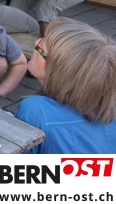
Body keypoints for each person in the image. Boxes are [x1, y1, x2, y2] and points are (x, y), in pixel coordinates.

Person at [16, 18, 116, 153]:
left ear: (59, 70)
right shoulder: (108, 108)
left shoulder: (35, 110)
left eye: (41, 48)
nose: (36, 42)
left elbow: (17, 164)